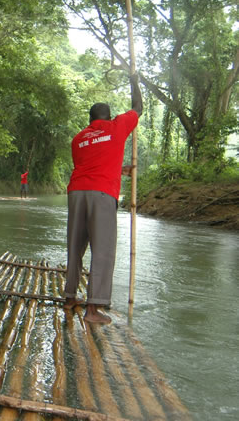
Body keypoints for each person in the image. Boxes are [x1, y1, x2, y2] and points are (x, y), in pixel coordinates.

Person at [63, 73, 143, 324]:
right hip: (102, 194)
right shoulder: (117, 127)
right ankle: (93, 308)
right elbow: (138, 108)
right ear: (108, 117)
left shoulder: (78, 139)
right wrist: (134, 81)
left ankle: (69, 297)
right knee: (103, 250)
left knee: (75, 246)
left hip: (76, 192)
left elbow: (91, 165)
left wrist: (120, 170)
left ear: (89, 120)